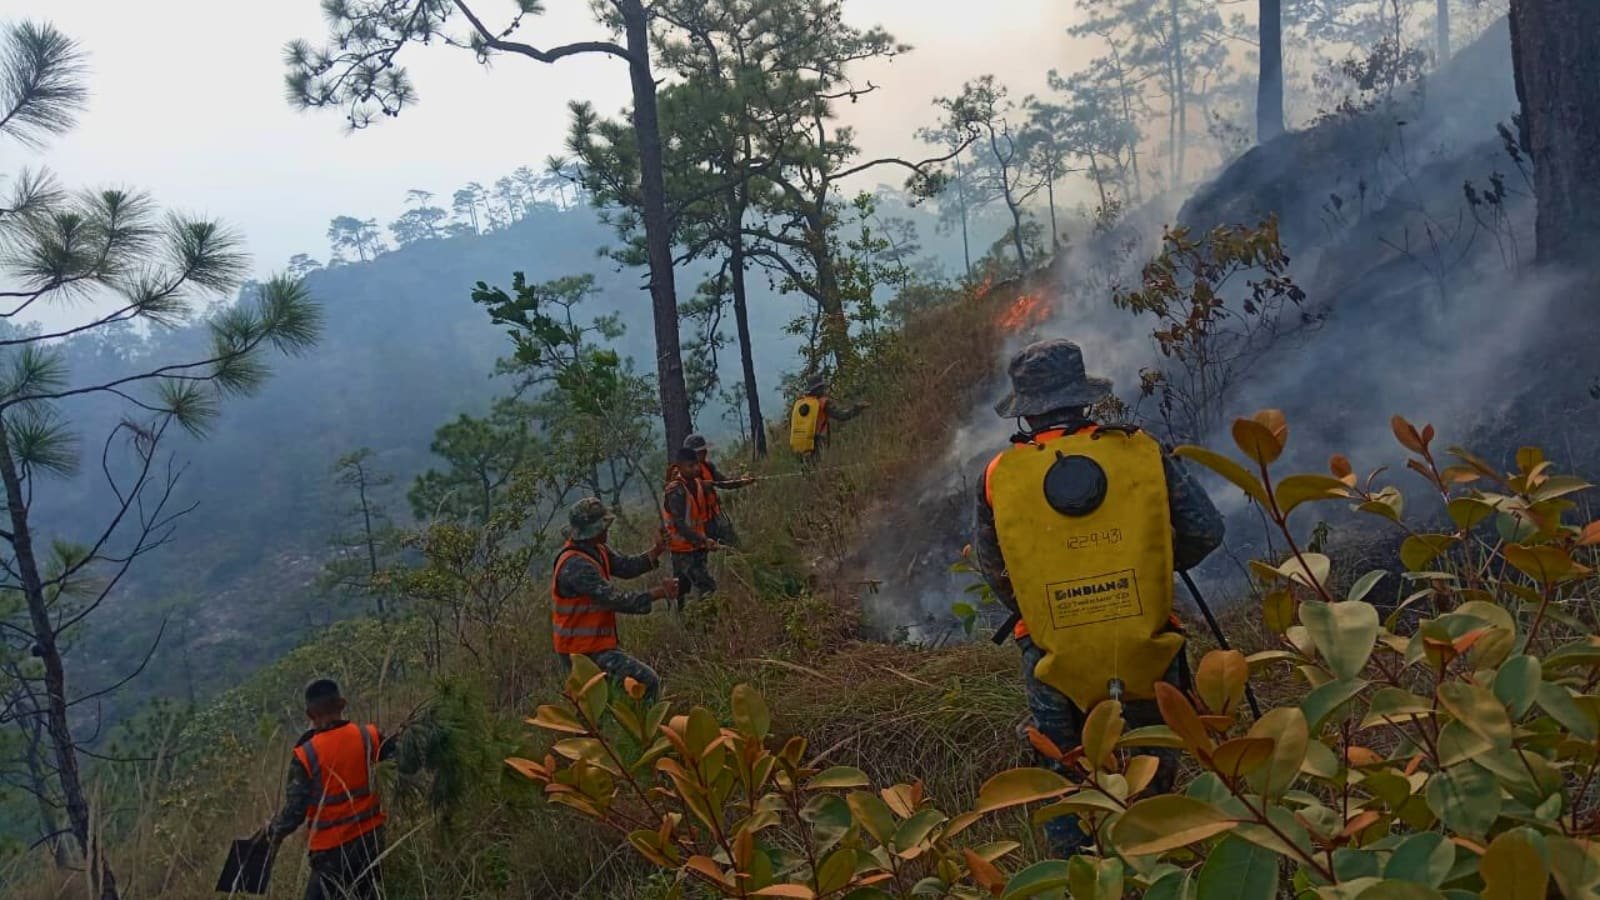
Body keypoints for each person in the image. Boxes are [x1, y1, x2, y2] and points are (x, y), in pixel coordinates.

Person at [970, 338, 1224, 859]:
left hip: (1050, 660)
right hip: (1147, 651)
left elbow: (998, 575)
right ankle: (1157, 874)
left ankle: (1081, 878)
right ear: (1082, 397)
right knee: (1153, 787)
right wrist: (1152, 565)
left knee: (1067, 784)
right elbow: (1205, 531)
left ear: (1025, 409)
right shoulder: (1140, 449)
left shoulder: (999, 476)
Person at [262, 679, 404, 900]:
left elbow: (295, 813)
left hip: (331, 854)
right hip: (371, 841)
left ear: (310, 715)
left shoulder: (305, 755)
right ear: (342, 705)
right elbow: (402, 761)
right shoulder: (369, 735)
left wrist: (273, 830)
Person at [551, 497, 679, 703]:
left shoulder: (596, 549)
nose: (607, 530)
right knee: (646, 682)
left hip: (593, 646)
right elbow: (614, 599)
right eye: (603, 526)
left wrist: (656, 551)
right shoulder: (575, 566)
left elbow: (625, 567)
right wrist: (658, 593)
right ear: (592, 531)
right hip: (581, 652)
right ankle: (644, 732)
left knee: (606, 701)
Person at [662, 448, 719, 607]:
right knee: (706, 586)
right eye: (690, 466)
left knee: (684, 588)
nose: (695, 469)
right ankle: (707, 622)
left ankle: (689, 621)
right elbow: (679, 525)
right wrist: (704, 540)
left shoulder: (697, 484)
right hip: (682, 550)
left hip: (695, 547)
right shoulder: (675, 490)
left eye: (696, 465)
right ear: (679, 467)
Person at [683, 432, 755, 547]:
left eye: (704, 450)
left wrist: (742, 481)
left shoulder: (708, 466)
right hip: (697, 524)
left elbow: (724, 482)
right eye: (701, 451)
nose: (705, 453)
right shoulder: (681, 473)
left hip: (715, 516)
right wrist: (700, 485)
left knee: (734, 546)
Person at [787, 378, 868, 461]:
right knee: (818, 468)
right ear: (819, 388)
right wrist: (857, 409)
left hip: (802, 443)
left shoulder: (801, 402)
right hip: (818, 443)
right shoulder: (823, 403)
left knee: (807, 470)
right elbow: (841, 416)